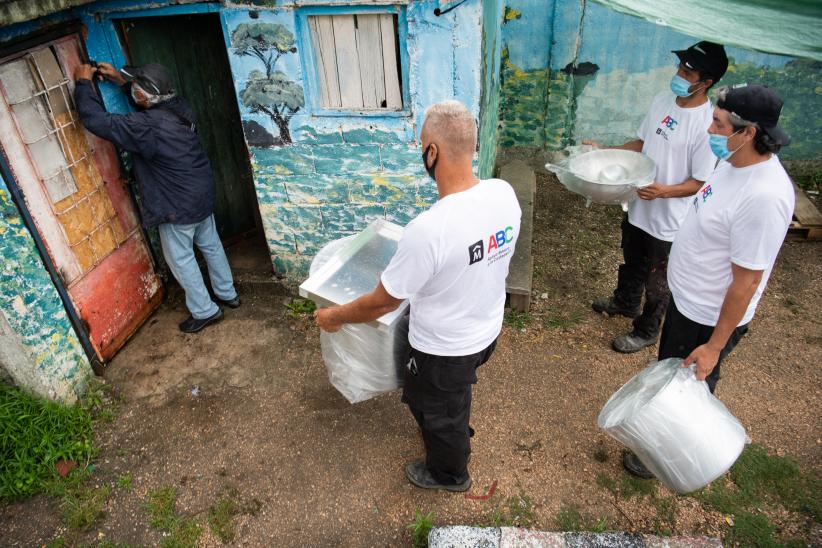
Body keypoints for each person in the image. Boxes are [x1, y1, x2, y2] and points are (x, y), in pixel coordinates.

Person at [314, 100, 521, 492]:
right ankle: (454, 421)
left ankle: (449, 473)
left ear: (432, 152)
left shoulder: (430, 229)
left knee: (438, 408)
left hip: (445, 348)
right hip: (487, 328)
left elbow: (382, 302)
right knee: (450, 397)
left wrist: (335, 316)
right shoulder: (503, 193)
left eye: (421, 145)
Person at [623, 83, 794, 478]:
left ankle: (670, 454)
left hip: (707, 315)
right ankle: (663, 439)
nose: (710, 131)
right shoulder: (732, 163)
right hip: (688, 300)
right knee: (671, 373)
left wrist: (715, 346)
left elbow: (746, 282)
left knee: (687, 385)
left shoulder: (765, 195)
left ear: (748, 132)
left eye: (718, 125)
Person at [73, 62, 239, 333]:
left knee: (181, 259)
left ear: (142, 96)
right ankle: (227, 294)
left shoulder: (146, 126)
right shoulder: (179, 106)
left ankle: (206, 311)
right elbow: (148, 96)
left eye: (136, 89)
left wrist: (83, 84)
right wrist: (122, 80)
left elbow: (97, 121)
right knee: (210, 244)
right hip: (201, 190)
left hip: (176, 204)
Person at [586, 42, 728, 353]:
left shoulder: (707, 126)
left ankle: (647, 329)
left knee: (657, 278)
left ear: (705, 83)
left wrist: (664, 191)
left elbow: (700, 181)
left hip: (669, 219)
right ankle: (625, 301)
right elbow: (642, 142)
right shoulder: (663, 100)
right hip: (640, 203)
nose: (678, 75)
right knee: (632, 256)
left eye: (687, 72)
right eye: (680, 68)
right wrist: (606, 153)